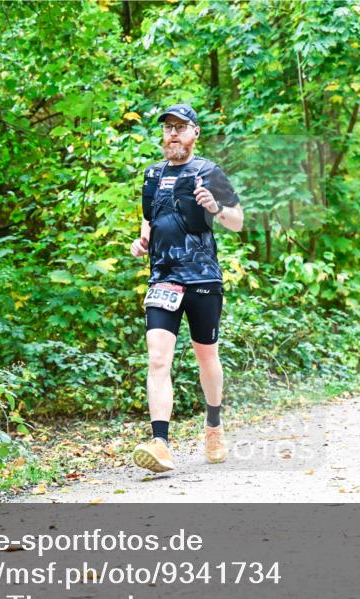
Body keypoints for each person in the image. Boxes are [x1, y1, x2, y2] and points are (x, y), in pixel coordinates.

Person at [129, 104, 244, 472]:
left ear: (195, 132)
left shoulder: (209, 171)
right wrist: (141, 240)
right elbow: (150, 219)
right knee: (158, 357)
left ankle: (213, 424)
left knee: (206, 355)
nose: (173, 134)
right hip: (163, 277)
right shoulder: (151, 175)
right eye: (167, 128)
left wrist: (217, 208)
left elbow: (238, 221)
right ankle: (160, 442)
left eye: (180, 127)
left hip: (203, 278)